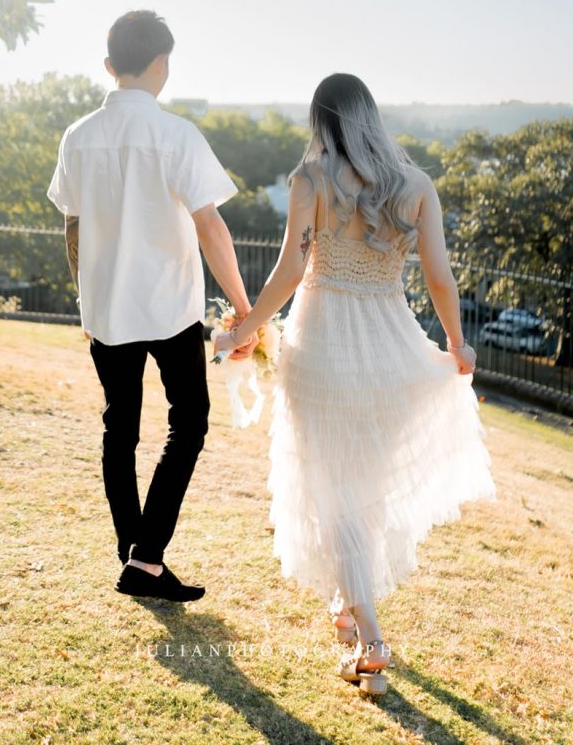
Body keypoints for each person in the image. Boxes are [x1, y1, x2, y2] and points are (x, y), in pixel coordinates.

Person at [213, 73, 498, 695]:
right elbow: (441, 280)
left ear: (321, 120)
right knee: (359, 484)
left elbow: (291, 268)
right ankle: (349, 606)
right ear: (370, 115)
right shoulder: (415, 184)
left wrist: (247, 329)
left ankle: (370, 639)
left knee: (334, 487)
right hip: (391, 348)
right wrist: (455, 344)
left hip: (322, 348)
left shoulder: (309, 179)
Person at [48, 9, 257, 603]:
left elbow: (73, 226)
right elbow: (211, 226)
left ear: (109, 66)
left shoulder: (77, 135)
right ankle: (144, 558)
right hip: (171, 308)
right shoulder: (177, 134)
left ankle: (134, 553)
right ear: (163, 63)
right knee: (187, 424)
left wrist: (86, 301)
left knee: (120, 428)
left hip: (107, 310)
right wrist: (244, 309)